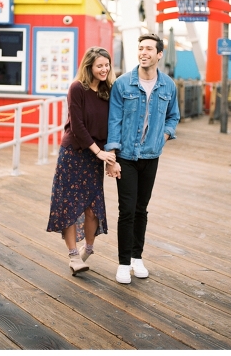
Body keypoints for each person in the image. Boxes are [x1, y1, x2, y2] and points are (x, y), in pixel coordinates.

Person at [104, 33, 180, 285]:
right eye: (140, 48)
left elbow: (173, 116)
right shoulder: (123, 84)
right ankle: (124, 263)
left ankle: (137, 257)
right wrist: (112, 156)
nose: (143, 52)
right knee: (126, 210)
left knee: (141, 209)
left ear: (159, 54)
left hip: (151, 155)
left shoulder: (168, 86)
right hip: (125, 155)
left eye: (149, 49)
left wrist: (164, 137)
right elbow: (113, 120)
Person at [46, 47, 116, 275]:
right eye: (99, 66)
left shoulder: (109, 91)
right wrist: (99, 153)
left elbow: (113, 126)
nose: (104, 69)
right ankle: (73, 256)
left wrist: (109, 157)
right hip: (74, 154)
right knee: (69, 205)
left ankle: (89, 248)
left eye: (107, 65)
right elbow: (77, 126)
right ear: (89, 67)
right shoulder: (77, 88)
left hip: (96, 155)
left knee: (92, 208)